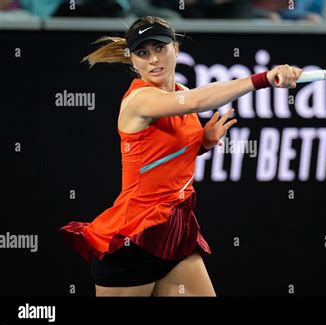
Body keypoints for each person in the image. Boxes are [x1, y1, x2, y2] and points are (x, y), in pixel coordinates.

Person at [59, 16, 302, 297]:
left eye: (160, 48)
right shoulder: (140, 101)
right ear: (133, 61)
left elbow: (161, 155)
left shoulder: (181, 92)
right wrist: (263, 79)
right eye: (142, 53)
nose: (153, 59)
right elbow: (199, 100)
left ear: (176, 48)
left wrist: (203, 145)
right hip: (131, 243)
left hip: (174, 238)